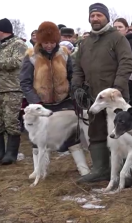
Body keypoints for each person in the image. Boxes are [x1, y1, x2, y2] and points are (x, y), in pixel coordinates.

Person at [72, 3, 132, 183]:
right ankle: (101, 169)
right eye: (92, 16)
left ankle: (126, 173)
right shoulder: (85, 43)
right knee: (96, 132)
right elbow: (77, 68)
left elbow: (126, 63)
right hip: (93, 98)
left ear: (106, 17)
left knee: (122, 134)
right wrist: (76, 86)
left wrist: (117, 89)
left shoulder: (117, 39)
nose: (95, 19)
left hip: (116, 99)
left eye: (99, 15)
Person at [20, 21, 90, 176]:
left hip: (63, 101)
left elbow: (72, 76)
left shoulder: (64, 53)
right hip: (40, 103)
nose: (49, 46)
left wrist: (73, 92)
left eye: (52, 42)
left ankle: (83, 168)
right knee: (37, 139)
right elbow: (25, 82)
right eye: (45, 42)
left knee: (71, 135)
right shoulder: (31, 56)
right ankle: (38, 170)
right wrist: (34, 101)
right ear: (40, 41)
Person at [0, 18, 28, 166]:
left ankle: (11, 154)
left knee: (11, 122)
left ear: (2, 30)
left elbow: (18, 62)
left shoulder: (19, 44)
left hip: (12, 89)